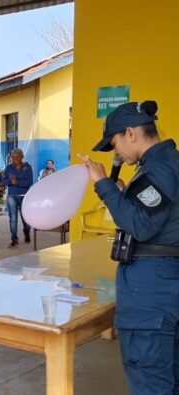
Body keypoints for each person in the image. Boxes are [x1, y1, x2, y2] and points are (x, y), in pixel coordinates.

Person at [80, 100, 179, 395]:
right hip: (166, 281)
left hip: (153, 289)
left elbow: (140, 226)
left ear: (131, 133)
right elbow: (153, 214)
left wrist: (104, 184)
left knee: (151, 380)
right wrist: (124, 196)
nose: (117, 154)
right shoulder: (166, 163)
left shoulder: (159, 169)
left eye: (115, 144)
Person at [3, 148, 33, 248]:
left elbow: (29, 182)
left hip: (24, 196)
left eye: (17, 157)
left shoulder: (27, 167)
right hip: (12, 196)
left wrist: (18, 182)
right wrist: (10, 181)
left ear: (22, 157)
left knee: (26, 218)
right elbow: (4, 182)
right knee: (13, 219)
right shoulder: (9, 168)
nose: (14, 159)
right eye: (13, 157)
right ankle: (14, 239)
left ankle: (26, 231)